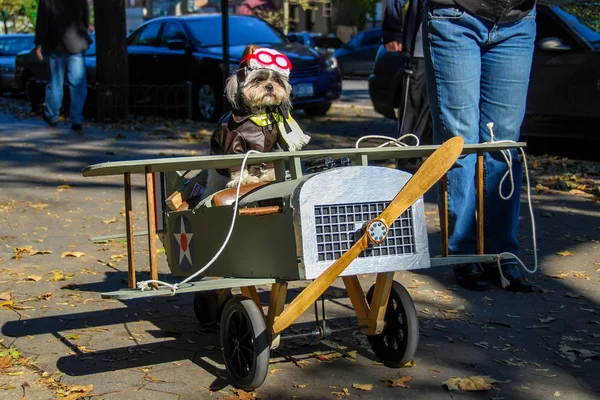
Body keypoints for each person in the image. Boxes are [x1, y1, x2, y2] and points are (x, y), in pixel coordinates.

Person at [422, 0, 536, 291]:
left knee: (504, 145)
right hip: (455, 16)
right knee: (459, 143)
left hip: (517, 20)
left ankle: (500, 254)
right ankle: (462, 252)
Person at [382, 0, 432, 173]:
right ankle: (406, 177)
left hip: (466, 50)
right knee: (412, 125)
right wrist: (392, 30)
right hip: (421, 52)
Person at [34, 0, 92, 133]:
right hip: (77, 44)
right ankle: (76, 119)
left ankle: (52, 116)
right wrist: (84, 33)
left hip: (56, 44)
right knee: (78, 85)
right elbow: (86, 17)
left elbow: (43, 21)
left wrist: (38, 44)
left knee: (55, 83)